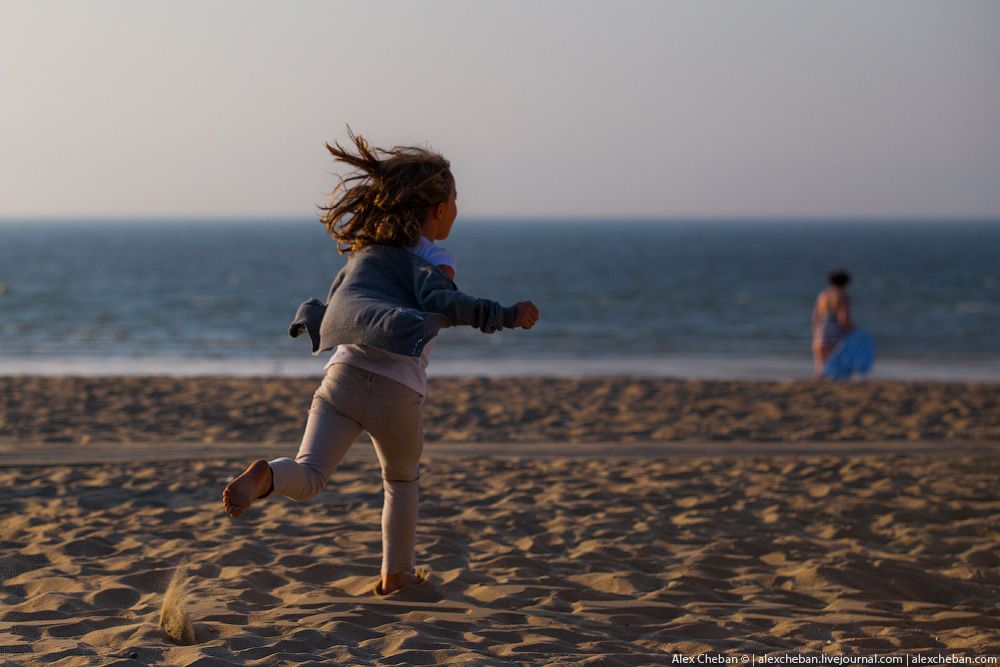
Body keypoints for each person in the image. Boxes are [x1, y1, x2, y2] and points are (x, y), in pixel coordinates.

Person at [222, 130, 540, 595]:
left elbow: (334, 303)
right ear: (437, 210)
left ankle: (267, 474)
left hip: (342, 379)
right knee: (401, 481)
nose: (457, 206)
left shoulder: (363, 254)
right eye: (455, 198)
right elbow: (443, 303)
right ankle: (396, 577)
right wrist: (507, 315)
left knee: (309, 476)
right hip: (398, 388)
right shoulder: (437, 257)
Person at [811, 270, 854, 379]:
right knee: (836, 362)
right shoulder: (843, 296)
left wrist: (815, 332)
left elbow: (815, 317)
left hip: (821, 328)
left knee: (820, 366)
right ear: (845, 283)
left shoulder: (823, 295)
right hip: (835, 329)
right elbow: (843, 319)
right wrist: (854, 331)